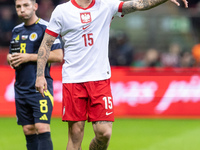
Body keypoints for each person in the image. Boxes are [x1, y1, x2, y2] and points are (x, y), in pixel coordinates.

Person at [35, 0, 188, 149]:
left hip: (100, 80)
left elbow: (138, 4)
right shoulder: (62, 11)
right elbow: (46, 43)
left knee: (104, 133)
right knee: (75, 134)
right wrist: (40, 75)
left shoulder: (106, 5)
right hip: (73, 80)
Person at [7, 0, 63, 150]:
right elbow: (13, 54)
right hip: (21, 87)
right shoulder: (17, 30)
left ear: (35, 6)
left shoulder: (46, 27)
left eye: (26, 5)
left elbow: (58, 55)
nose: (22, 9)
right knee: (28, 130)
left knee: (42, 128)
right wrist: (10, 58)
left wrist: (29, 57)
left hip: (39, 87)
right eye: (18, 6)